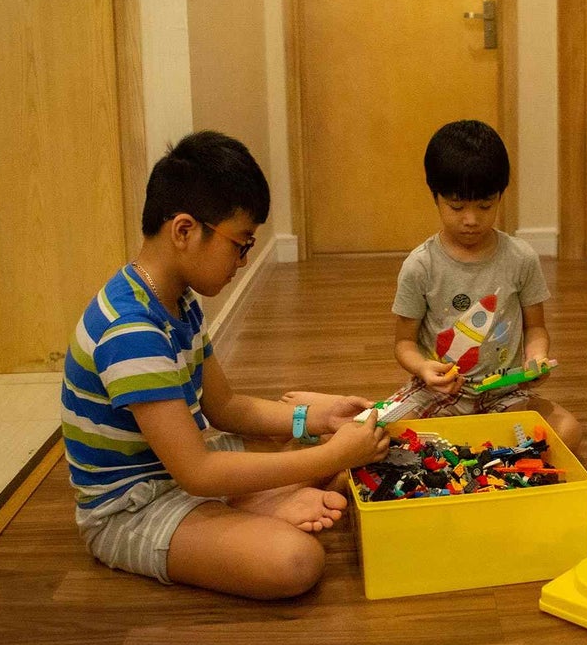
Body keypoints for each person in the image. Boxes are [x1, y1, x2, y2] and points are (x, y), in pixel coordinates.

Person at [60, 130, 389, 600]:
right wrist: (334, 456)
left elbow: (227, 407)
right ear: (184, 231)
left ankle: (250, 506)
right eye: (240, 244)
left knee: (321, 435)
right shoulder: (131, 332)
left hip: (183, 474)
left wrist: (314, 420)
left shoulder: (177, 301)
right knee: (295, 561)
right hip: (135, 509)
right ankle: (253, 509)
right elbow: (197, 472)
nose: (244, 259)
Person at [379, 119, 581, 449]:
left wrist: (536, 358)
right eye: (457, 206)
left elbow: (536, 329)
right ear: (436, 197)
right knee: (377, 437)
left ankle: (482, 454)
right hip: (438, 393)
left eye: (485, 206)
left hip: (505, 394)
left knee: (568, 432)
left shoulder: (521, 258)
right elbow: (404, 343)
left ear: (501, 196)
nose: (471, 219)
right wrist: (424, 368)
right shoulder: (420, 265)